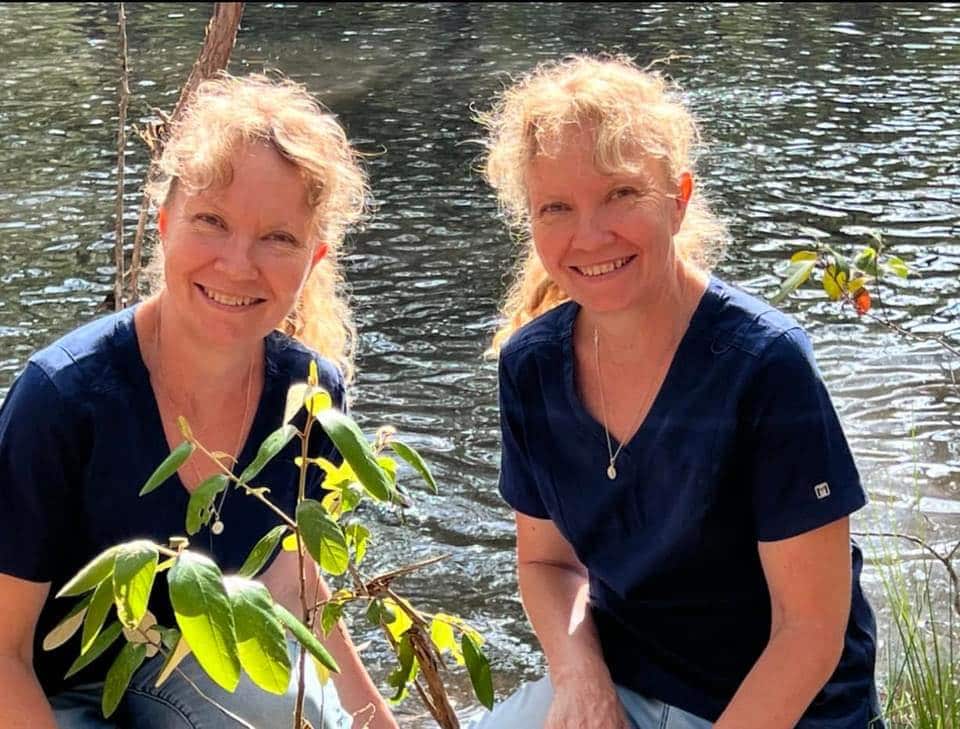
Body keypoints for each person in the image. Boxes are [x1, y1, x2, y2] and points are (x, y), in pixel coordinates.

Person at [473, 55, 884, 728]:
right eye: (557, 207)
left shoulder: (765, 365)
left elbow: (809, 630)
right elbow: (547, 561)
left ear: (679, 196)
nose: (591, 233)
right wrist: (581, 682)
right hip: (626, 690)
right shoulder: (530, 364)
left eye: (621, 194)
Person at [0, 73, 398, 729]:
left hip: (186, 671)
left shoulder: (311, 395)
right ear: (163, 225)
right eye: (212, 222)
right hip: (51, 695)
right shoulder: (62, 399)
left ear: (314, 256)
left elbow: (292, 581)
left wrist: (376, 721)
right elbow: (4, 650)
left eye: (278, 237)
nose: (239, 265)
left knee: (292, 714)